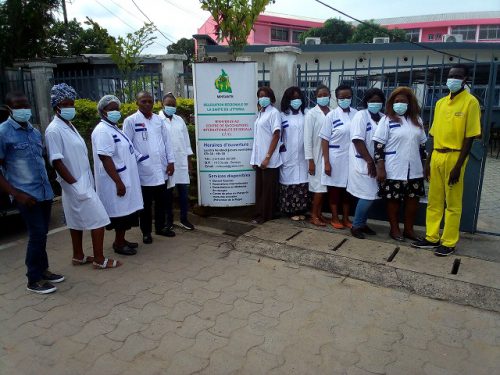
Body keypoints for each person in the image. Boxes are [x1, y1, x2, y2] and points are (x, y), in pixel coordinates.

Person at [44, 83, 120, 269]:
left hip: (80, 182)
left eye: (72, 104)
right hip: (75, 183)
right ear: (57, 106)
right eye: (66, 104)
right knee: (99, 219)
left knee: (74, 220)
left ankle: (78, 256)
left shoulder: (68, 125)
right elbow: (56, 161)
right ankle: (99, 259)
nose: (71, 107)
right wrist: (75, 184)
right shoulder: (53, 130)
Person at [412, 64, 481, 256]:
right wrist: (427, 162)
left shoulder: (471, 102)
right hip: (437, 156)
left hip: (455, 156)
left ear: (465, 79)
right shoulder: (441, 103)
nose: (453, 79)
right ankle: (431, 237)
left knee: (452, 203)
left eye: (458, 76)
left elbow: (470, 137)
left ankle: (449, 241)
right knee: (434, 200)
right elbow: (433, 135)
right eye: (451, 76)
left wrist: (458, 166)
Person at [0, 91, 63, 294]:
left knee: (42, 234)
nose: (24, 110)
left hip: (44, 192)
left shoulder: (34, 132)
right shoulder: (3, 133)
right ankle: (33, 279)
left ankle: (43, 270)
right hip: (25, 195)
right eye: (18, 106)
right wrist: (16, 194)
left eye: (26, 105)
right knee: (36, 234)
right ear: (9, 109)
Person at [373, 87, 427, 242]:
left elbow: (422, 146)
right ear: (392, 103)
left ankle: (409, 230)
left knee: (413, 200)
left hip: (414, 169)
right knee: (393, 200)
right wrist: (380, 167)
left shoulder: (417, 120)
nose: (400, 104)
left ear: (410, 103)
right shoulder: (387, 120)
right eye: (397, 101)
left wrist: (425, 166)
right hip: (394, 168)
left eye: (403, 101)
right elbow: (378, 145)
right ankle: (394, 229)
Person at [91, 95, 144, 256]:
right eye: (111, 109)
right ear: (102, 111)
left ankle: (121, 239)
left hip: (126, 178)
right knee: (121, 214)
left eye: (117, 109)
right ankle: (119, 244)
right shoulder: (102, 131)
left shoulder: (114, 128)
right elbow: (105, 157)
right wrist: (118, 182)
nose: (116, 112)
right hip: (115, 181)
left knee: (127, 212)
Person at [123, 91, 176, 243]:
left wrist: (171, 162)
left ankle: (160, 228)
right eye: (143, 101)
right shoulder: (131, 121)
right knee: (145, 204)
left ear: (154, 103)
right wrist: (141, 159)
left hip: (162, 168)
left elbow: (167, 142)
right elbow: (128, 145)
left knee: (162, 202)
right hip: (143, 170)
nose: (147, 104)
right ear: (137, 103)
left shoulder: (159, 120)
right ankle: (146, 232)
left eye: (149, 101)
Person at [348, 88, 386, 239]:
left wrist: (379, 162)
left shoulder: (384, 117)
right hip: (363, 161)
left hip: (378, 162)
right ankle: (356, 225)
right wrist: (369, 161)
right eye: (372, 101)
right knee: (368, 195)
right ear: (366, 102)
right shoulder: (361, 115)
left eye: (378, 101)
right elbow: (357, 139)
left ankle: (362, 223)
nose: (375, 103)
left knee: (372, 194)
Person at [320, 84, 357, 229]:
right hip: (335, 159)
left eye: (348, 97)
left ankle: (346, 218)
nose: (345, 100)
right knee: (335, 190)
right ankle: (335, 217)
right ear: (336, 98)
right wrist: (327, 162)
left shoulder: (357, 114)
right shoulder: (331, 115)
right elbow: (324, 139)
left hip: (351, 159)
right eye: (342, 97)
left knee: (348, 190)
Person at [159, 92, 195, 230]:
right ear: (162, 104)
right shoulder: (158, 120)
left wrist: (189, 162)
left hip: (181, 163)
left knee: (184, 194)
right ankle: (169, 221)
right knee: (167, 195)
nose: (171, 107)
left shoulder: (179, 120)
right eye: (168, 104)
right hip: (167, 164)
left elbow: (186, 143)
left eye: (173, 105)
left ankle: (184, 219)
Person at [250, 86, 282, 224]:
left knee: (268, 190)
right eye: (260, 96)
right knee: (260, 189)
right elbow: (257, 138)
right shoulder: (260, 113)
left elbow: (276, 135)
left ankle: (265, 216)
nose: (262, 98)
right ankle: (258, 214)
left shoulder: (274, 113)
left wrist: (268, 157)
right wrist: (254, 159)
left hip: (269, 159)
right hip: (259, 159)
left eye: (265, 95)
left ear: (271, 98)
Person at [278, 86, 308, 221]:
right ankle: (290, 211)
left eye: (298, 98)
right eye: (293, 98)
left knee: (302, 182)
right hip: (288, 154)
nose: (296, 100)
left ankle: (301, 209)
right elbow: (277, 135)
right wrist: (281, 147)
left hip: (303, 155)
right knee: (289, 183)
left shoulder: (306, 114)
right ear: (287, 100)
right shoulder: (282, 115)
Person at [304, 85, 331, 226]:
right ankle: (313, 215)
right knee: (318, 189)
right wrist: (310, 161)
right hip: (315, 156)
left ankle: (319, 214)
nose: (322, 97)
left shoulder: (332, 112)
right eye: (320, 95)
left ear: (330, 96)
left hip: (328, 156)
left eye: (325, 94)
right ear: (316, 97)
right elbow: (307, 139)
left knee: (324, 188)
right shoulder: (311, 114)